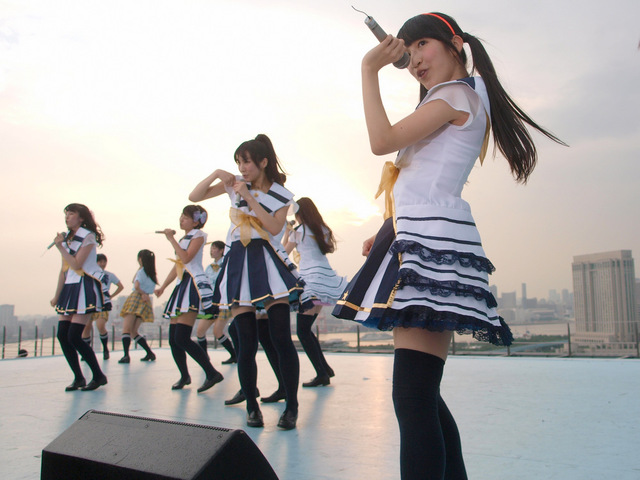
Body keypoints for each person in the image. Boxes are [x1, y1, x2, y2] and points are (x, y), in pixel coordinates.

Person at [332, 13, 566, 479]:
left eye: (423, 44)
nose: (415, 59)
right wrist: (387, 231)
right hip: (422, 235)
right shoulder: (461, 96)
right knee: (423, 397)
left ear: (455, 43)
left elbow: (381, 141)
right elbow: (419, 181)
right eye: (409, 51)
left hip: (430, 243)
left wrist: (368, 69)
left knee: (414, 397)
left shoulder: (455, 95)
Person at [189, 134, 303, 430]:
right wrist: (218, 173)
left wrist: (250, 197)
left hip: (267, 259)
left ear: (263, 162)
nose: (242, 167)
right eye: (239, 162)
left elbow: (275, 228)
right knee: (247, 342)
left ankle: (291, 406)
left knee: (281, 338)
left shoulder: (280, 193)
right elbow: (195, 197)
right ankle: (252, 407)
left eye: (247, 162)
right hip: (239, 260)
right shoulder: (235, 184)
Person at [155, 205, 224, 393]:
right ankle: (184, 375)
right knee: (173, 339)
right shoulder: (183, 239)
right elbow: (178, 265)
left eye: (185, 217)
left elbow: (186, 258)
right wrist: (163, 286)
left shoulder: (199, 235)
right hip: (182, 284)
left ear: (196, 221)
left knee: (182, 337)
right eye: (181, 216)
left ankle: (211, 373)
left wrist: (171, 239)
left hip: (193, 284)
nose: (181, 220)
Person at [284, 197, 347, 387]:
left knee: (302, 331)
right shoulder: (323, 229)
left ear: (299, 213)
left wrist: (287, 233)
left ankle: (322, 373)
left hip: (309, 281)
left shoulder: (299, 231)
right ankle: (324, 369)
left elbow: (283, 253)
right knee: (306, 330)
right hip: (325, 279)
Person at [50, 203, 110, 391]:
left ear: (81, 218)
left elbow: (76, 264)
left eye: (71, 213)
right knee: (62, 335)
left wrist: (61, 247)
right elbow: (64, 270)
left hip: (84, 285)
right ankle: (78, 377)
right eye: (66, 214)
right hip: (69, 288)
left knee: (74, 336)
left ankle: (98, 375)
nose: (67, 217)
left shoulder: (88, 236)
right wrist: (57, 295)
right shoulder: (68, 239)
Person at [197, 241, 237, 364]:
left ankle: (234, 355)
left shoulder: (226, 264)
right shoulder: (209, 268)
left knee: (217, 331)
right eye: (211, 248)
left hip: (223, 303)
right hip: (211, 304)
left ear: (221, 250)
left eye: (214, 248)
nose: (212, 251)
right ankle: (204, 358)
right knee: (200, 331)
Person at [118, 250, 158, 363]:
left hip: (136, 298)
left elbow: (135, 285)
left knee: (126, 329)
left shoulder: (141, 271)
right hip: (145, 301)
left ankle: (126, 355)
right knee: (133, 331)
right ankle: (149, 353)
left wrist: (142, 293)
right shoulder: (152, 274)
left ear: (140, 259)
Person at [82, 253, 124, 360]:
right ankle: (86, 352)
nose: (102, 264)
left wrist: (111, 296)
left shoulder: (109, 275)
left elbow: (120, 286)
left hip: (103, 303)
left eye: (104, 261)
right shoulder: (89, 273)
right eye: (100, 261)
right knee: (86, 327)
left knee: (100, 326)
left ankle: (105, 348)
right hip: (90, 302)